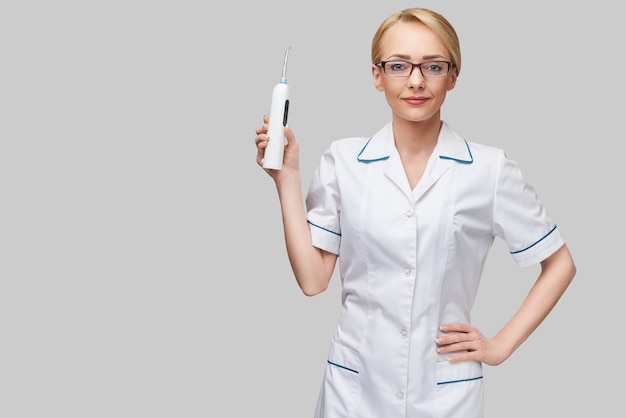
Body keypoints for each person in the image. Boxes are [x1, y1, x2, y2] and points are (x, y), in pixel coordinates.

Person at [254, 7, 576, 418]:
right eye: (399, 65)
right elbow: (313, 280)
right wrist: (287, 180)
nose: (416, 80)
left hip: (445, 395)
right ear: (377, 75)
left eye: (433, 66)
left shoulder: (489, 170)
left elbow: (560, 263)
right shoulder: (344, 161)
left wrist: (499, 346)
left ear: (453, 76)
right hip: (353, 392)